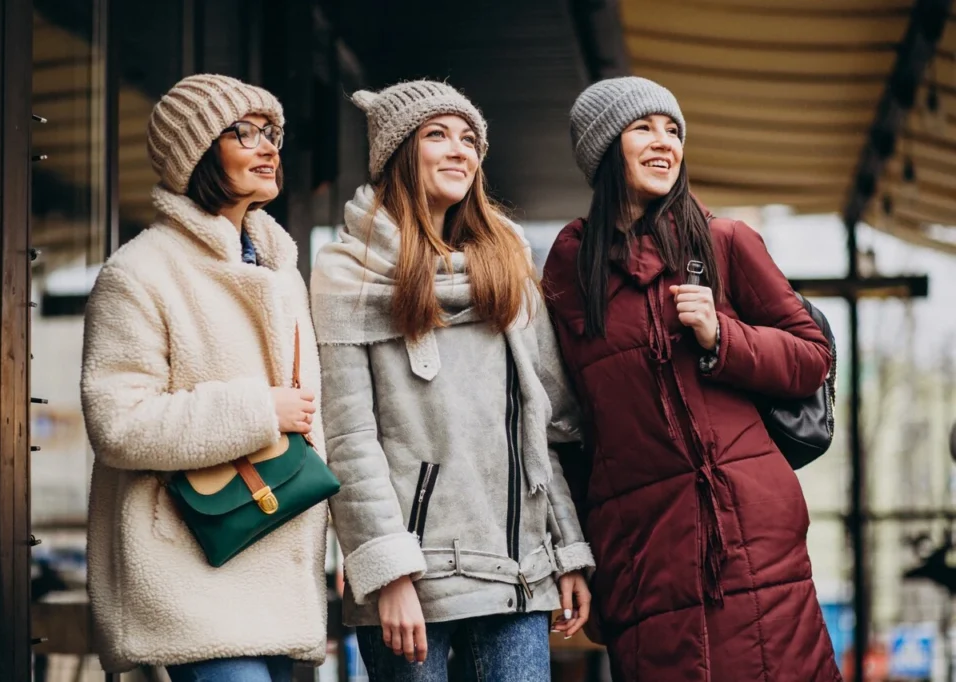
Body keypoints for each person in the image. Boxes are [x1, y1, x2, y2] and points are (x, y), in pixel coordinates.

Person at [542, 77, 842, 681]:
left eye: (673, 130)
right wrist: (574, 553)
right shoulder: (570, 273)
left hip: (751, 538)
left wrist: (722, 337)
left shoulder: (726, 241)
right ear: (604, 149)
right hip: (639, 548)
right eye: (643, 128)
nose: (664, 143)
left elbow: (813, 357)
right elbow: (565, 427)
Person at [310, 80, 594, 681]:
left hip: (518, 572)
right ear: (397, 155)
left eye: (469, 139)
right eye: (436, 135)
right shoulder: (348, 273)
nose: (459, 150)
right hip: (413, 578)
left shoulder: (508, 263)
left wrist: (566, 550)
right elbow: (350, 441)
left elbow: (538, 426)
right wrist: (387, 574)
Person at [80, 74, 327, 682]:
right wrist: (258, 411)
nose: (269, 146)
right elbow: (118, 424)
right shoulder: (138, 272)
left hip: (280, 559)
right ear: (196, 153)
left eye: (272, 132)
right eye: (243, 133)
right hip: (190, 566)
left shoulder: (282, 273)